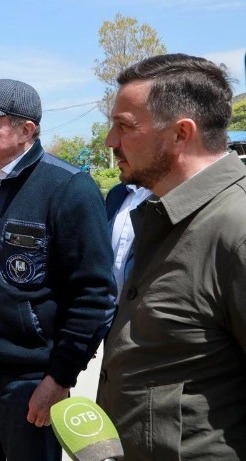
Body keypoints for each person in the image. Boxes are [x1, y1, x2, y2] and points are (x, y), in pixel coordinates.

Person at [0, 79, 116, 461]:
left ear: (26, 130)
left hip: (27, 379)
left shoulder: (69, 188)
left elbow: (94, 295)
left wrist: (60, 378)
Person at [97, 54, 246, 458]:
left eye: (124, 127)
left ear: (181, 134)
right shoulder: (164, 214)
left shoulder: (236, 228)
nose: (110, 141)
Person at [105, 183, 152, 300]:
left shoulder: (165, 195)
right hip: (108, 306)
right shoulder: (116, 193)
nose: (119, 163)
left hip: (141, 307)